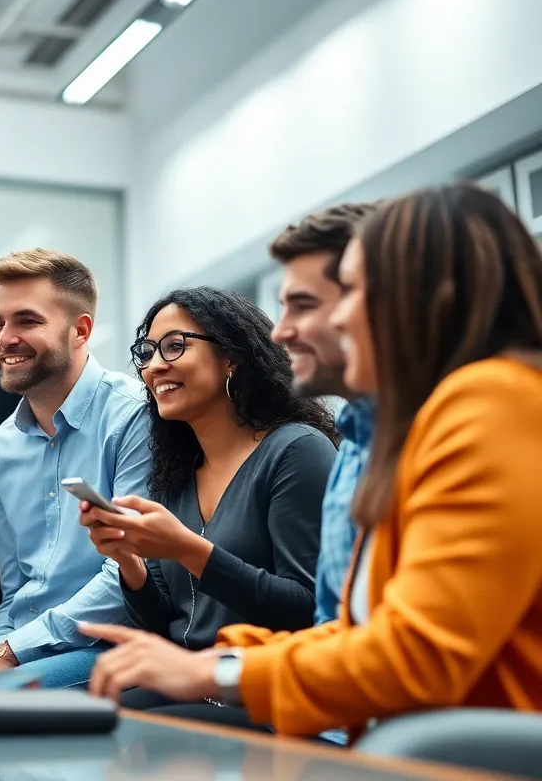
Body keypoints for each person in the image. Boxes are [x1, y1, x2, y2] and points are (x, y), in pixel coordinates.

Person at [79, 184, 542, 740]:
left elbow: (417, 655)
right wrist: (210, 665)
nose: (284, 332)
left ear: (426, 298)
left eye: (350, 295)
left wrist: (217, 671)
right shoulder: (398, 432)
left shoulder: (491, 403)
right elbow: (351, 632)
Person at [77, 287, 337, 721]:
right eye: (147, 351)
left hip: (261, 691)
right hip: (186, 687)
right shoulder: (175, 474)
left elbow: (306, 610)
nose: (154, 365)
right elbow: (165, 626)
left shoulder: (296, 451)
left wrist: (186, 549)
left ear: (232, 357)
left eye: (175, 346)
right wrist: (129, 562)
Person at [0, 249, 152, 688]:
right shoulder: (4, 446)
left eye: (27, 321)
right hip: (21, 650)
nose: (5, 339)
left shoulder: (133, 417)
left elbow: (129, 574)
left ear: (80, 330)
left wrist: (12, 650)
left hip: (105, 645)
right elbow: (13, 588)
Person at [269, 203, 380, 626]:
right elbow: (336, 625)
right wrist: (225, 663)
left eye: (304, 305)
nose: (279, 332)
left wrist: (225, 675)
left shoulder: (304, 446)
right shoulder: (355, 439)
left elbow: (415, 654)